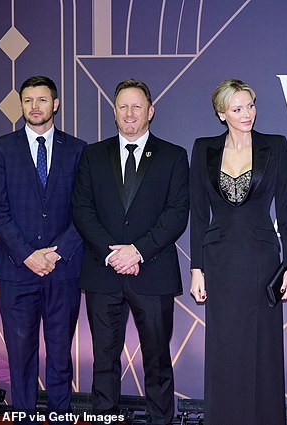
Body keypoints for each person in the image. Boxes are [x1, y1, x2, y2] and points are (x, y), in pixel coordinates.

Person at [72, 79, 189, 425]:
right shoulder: (92, 155)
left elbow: (176, 213)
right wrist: (112, 254)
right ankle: (104, 418)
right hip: (102, 272)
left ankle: (161, 421)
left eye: (137, 106)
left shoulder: (173, 156)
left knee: (157, 360)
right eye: (123, 106)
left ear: (151, 111)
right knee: (104, 359)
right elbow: (82, 209)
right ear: (114, 112)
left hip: (152, 272)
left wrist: (137, 251)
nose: (130, 113)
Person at [190, 78, 287, 425]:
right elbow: (197, 212)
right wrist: (197, 268)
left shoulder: (275, 146)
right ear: (222, 113)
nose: (247, 114)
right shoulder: (203, 148)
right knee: (224, 349)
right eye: (237, 109)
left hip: (262, 262)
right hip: (219, 261)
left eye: (250, 106)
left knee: (261, 349)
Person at [0, 75, 85, 420]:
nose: (34, 107)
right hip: (16, 270)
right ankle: (23, 415)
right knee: (20, 355)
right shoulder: (1, 148)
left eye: (42, 100)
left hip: (63, 270)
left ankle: (59, 415)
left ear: (55, 104)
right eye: (28, 100)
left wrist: (55, 253)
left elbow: (84, 210)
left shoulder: (78, 150)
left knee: (60, 354)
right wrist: (28, 255)